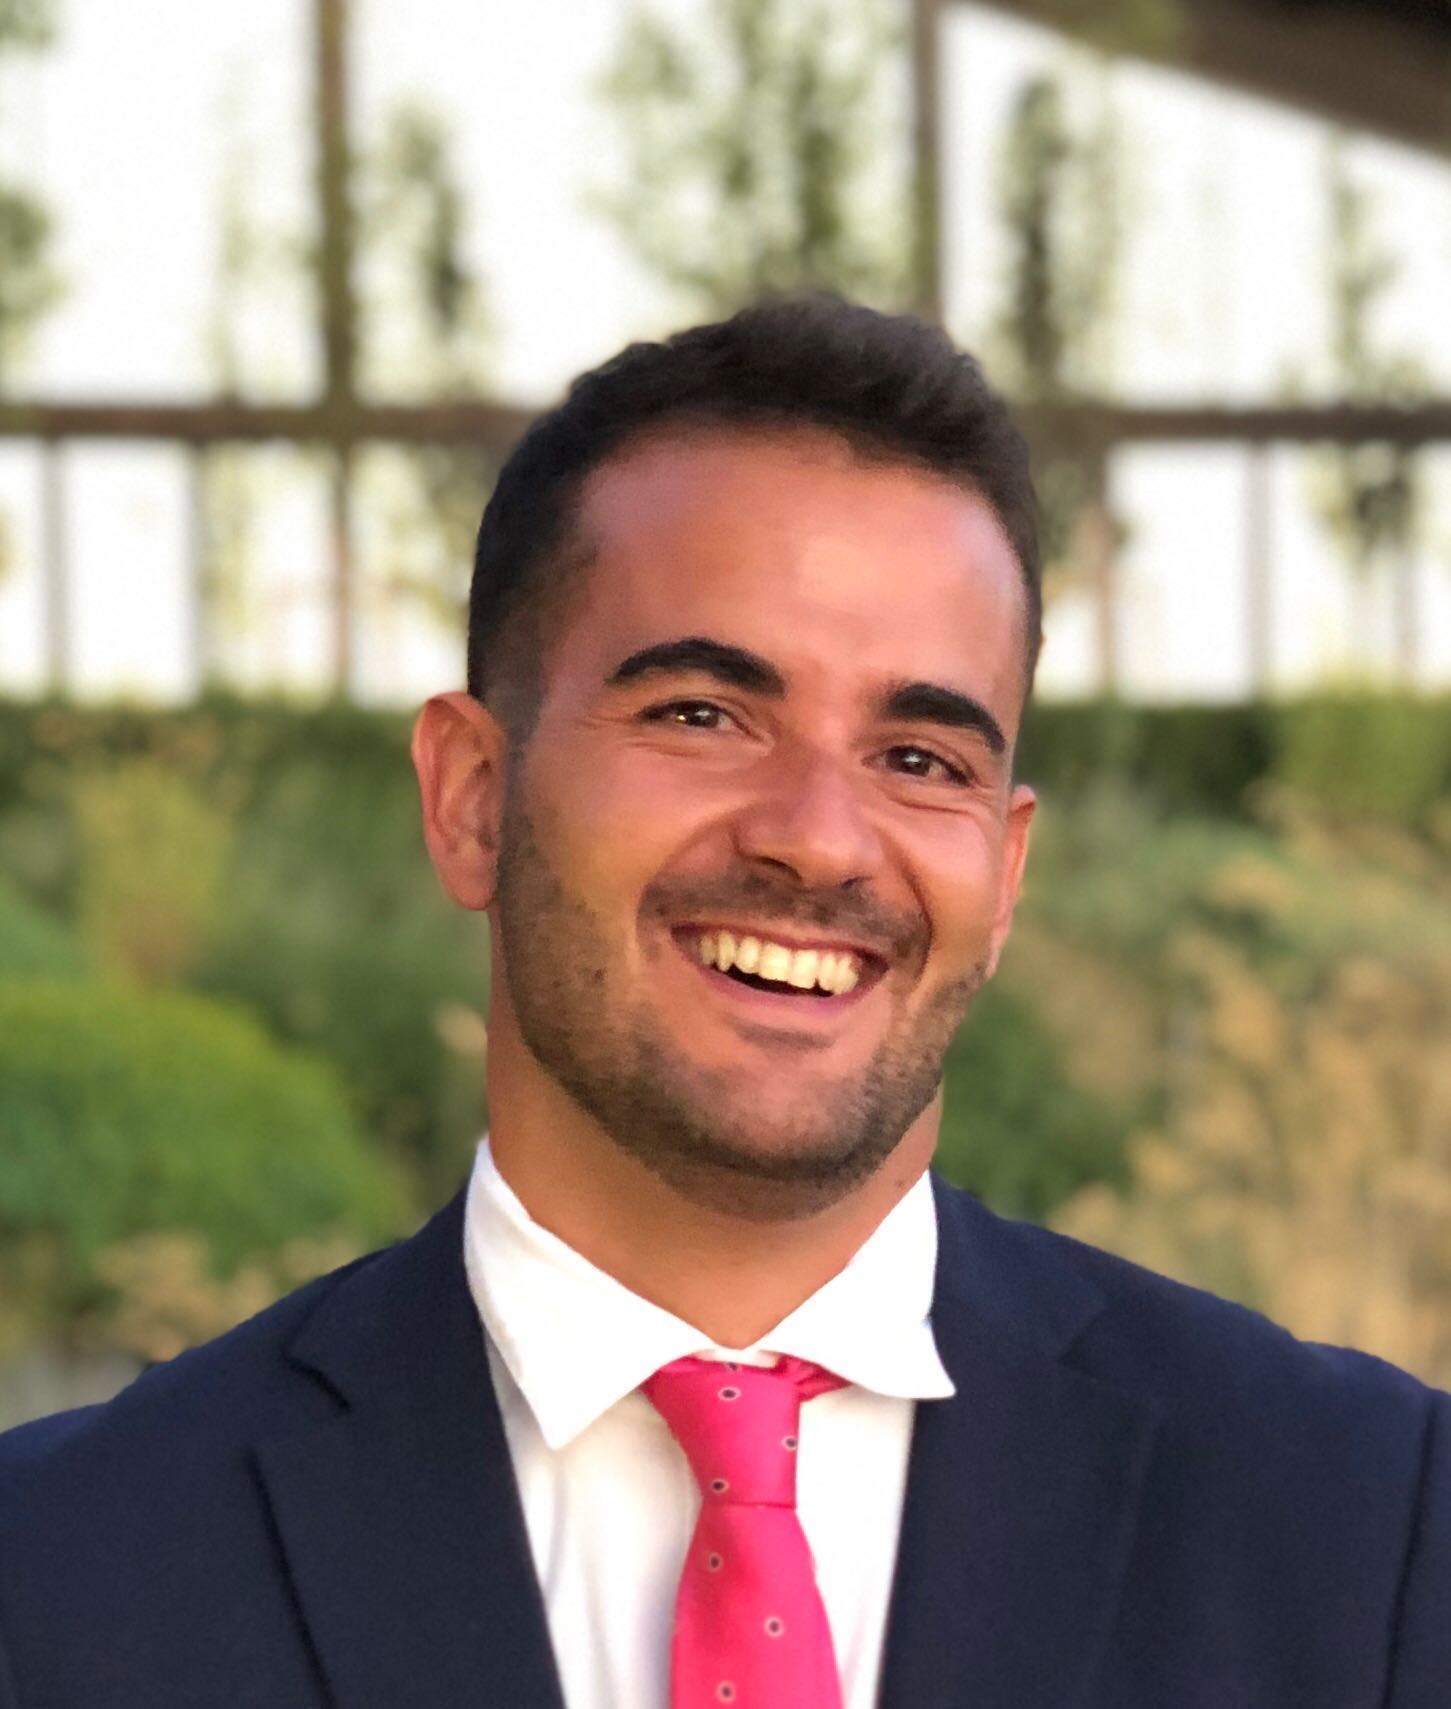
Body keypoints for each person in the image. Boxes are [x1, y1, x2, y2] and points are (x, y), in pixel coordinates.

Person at [0, 295, 1446, 1709]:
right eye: (702, 715)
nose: (819, 839)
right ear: (473, 796)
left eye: (921, 758)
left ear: (1004, 877)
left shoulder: (1375, 1532)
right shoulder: (62, 1574)